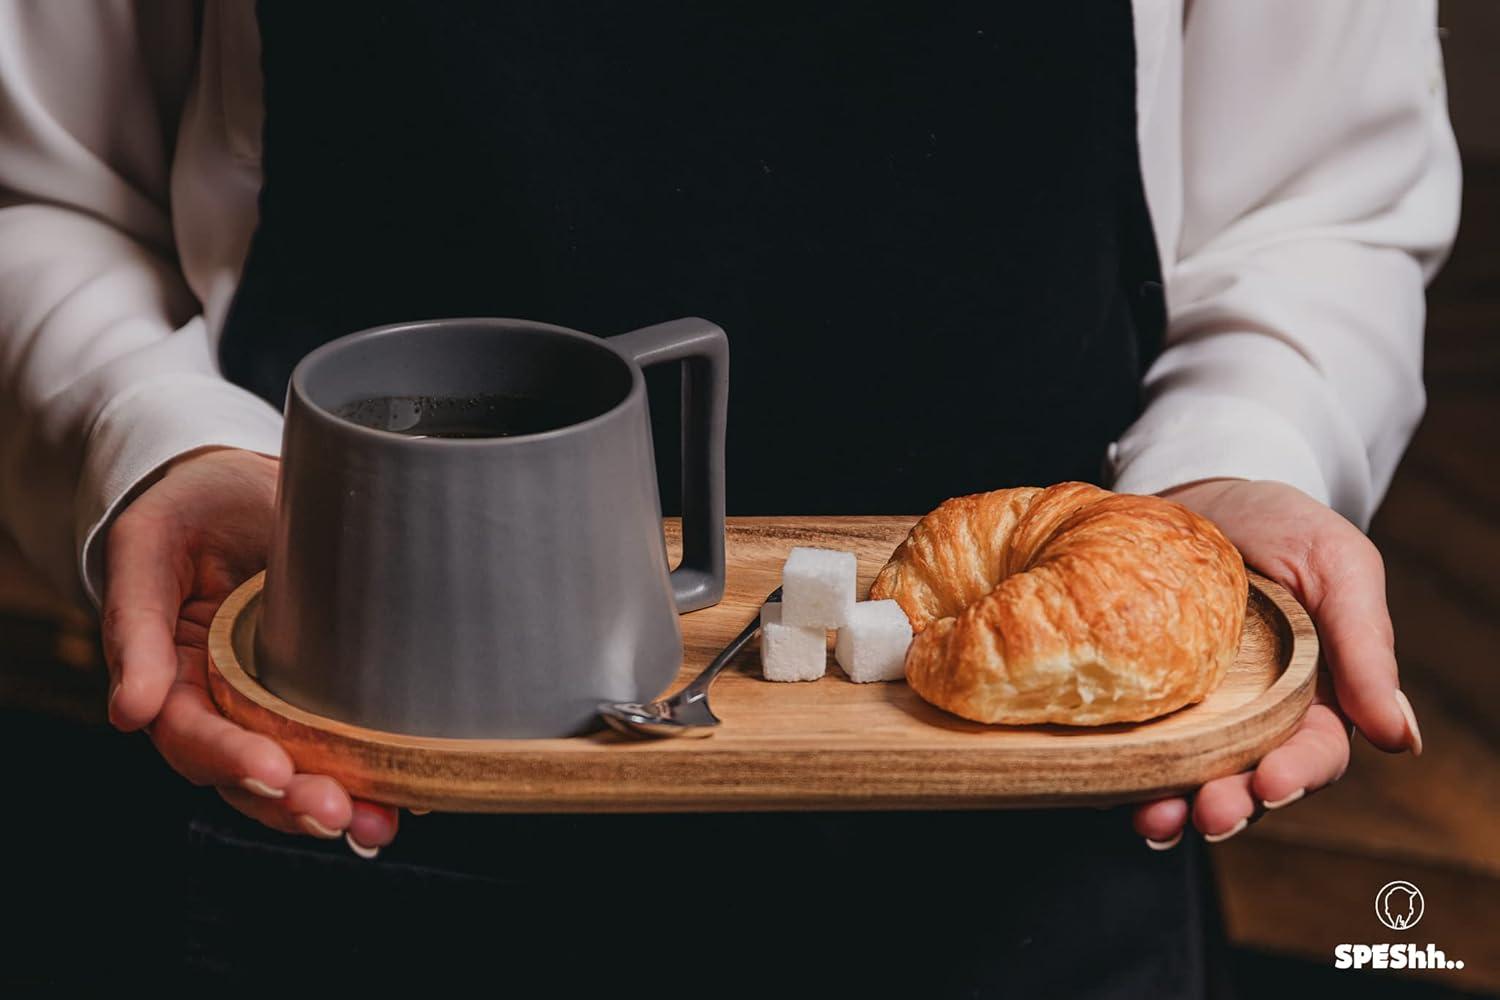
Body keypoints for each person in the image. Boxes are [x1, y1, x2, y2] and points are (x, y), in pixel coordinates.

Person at [0, 1, 1457, 994]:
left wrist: (1235, 469)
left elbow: (1314, 203)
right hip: (341, 825)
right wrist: (158, 439)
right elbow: (42, 191)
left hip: (1041, 861)